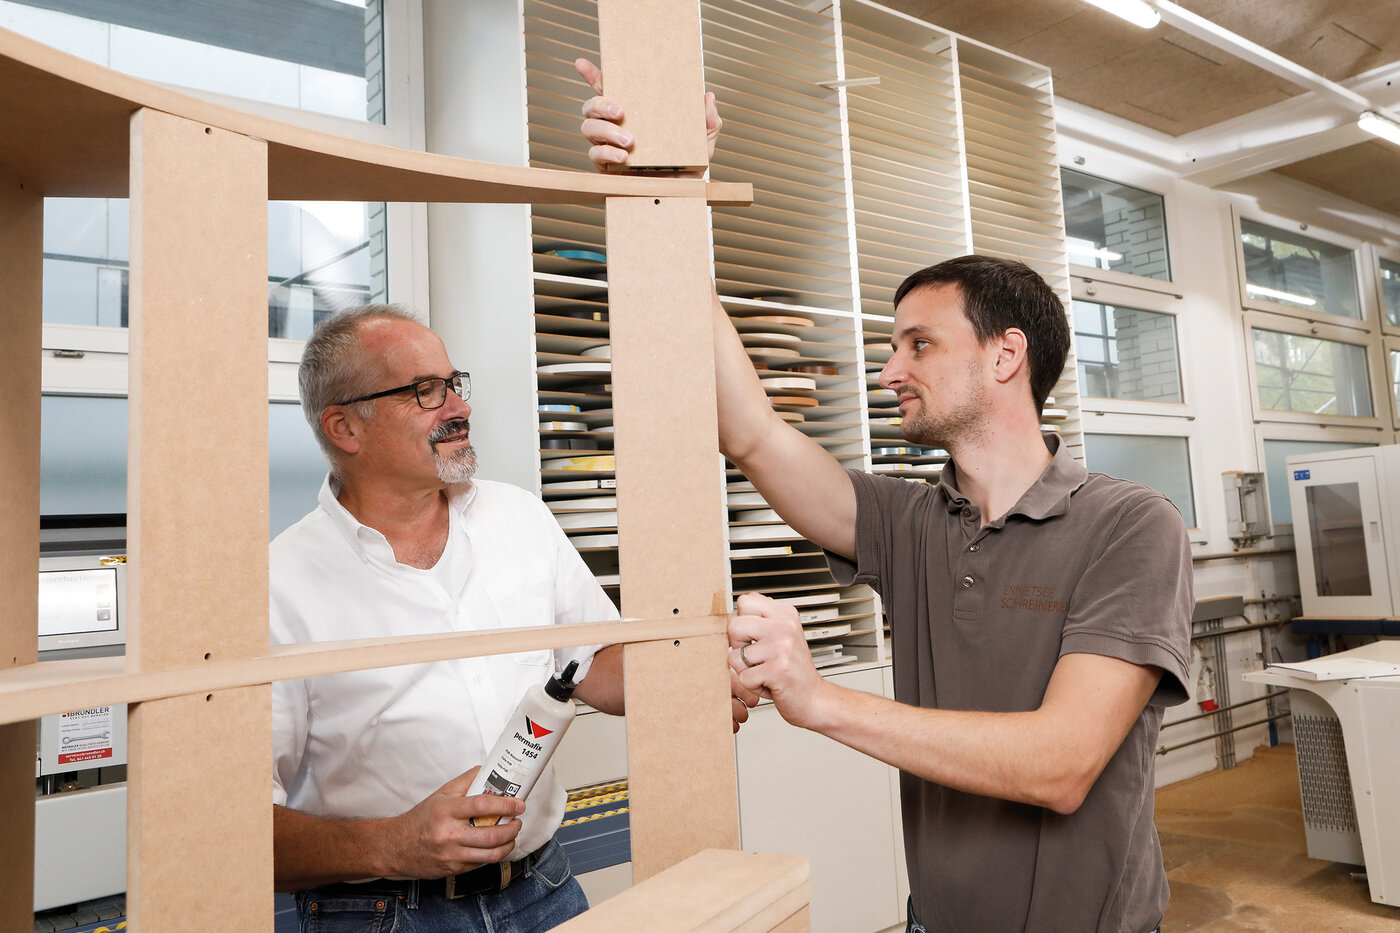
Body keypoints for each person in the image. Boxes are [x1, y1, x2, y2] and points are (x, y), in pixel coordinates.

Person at [578, 60, 1192, 933]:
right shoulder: (909, 522)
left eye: (918, 344)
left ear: (1006, 355)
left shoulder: (1129, 526)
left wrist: (819, 697)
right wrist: (674, 196)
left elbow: (1060, 765)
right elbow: (750, 429)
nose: (889, 371)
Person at [270, 304, 628, 933]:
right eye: (424, 391)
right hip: (381, 914)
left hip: (544, 887)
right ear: (345, 427)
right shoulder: (277, 584)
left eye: (454, 383)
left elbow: (592, 663)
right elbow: (230, 829)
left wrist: (695, 677)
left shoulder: (518, 517)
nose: (459, 407)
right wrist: (390, 845)